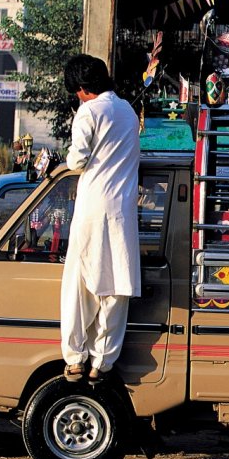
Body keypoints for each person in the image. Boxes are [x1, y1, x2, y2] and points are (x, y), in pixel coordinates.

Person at [60, 54, 141, 383]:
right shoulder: (128, 111)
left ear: (81, 89)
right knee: (115, 284)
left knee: (80, 284)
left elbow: (77, 161)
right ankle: (101, 363)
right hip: (122, 209)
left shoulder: (88, 112)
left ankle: (76, 358)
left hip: (92, 206)